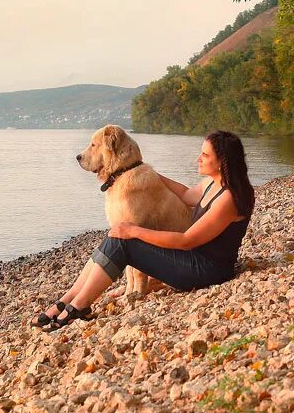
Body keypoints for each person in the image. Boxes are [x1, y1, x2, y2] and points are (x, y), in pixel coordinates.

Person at [29, 130, 255, 330]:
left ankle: (78, 305)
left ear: (222, 162)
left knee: (123, 239)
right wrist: (142, 171)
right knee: (117, 234)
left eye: (205, 155)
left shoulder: (229, 198)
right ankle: (69, 299)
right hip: (195, 261)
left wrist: (134, 231)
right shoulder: (213, 183)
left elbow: (187, 240)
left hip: (204, 271)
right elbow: (186, 195)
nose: (198, 158)